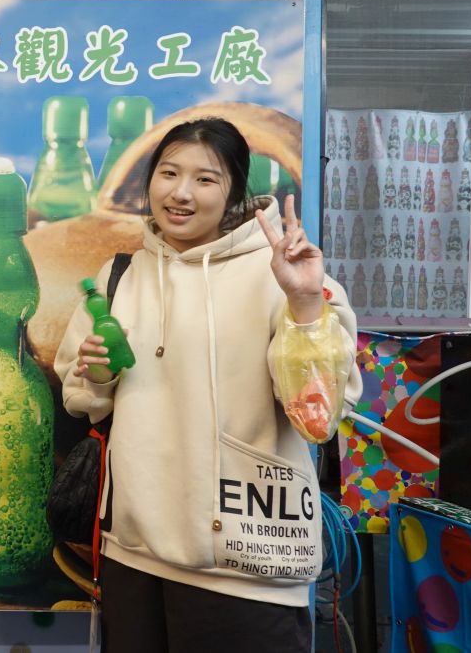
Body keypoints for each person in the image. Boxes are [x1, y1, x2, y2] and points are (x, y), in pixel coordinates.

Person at [54, 118, 361, 652]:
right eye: (168, 173)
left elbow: (320, 415)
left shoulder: (284, 276)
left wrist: (306, 303)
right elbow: (86, 398)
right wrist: (98, 372)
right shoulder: (120, 276)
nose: (180, 193)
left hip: (248, 566)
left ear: (235, 190)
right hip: (134, 555)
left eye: (205, 179)